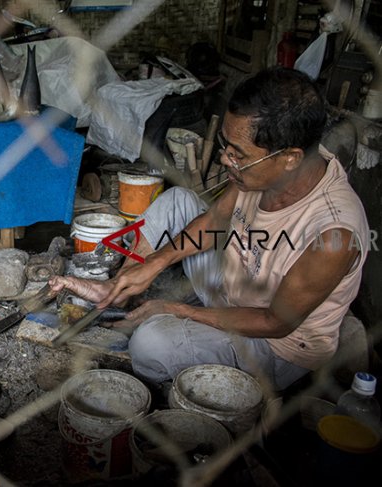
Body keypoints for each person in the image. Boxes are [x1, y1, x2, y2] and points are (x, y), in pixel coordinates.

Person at [50, 67, 369, 391]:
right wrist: (151, 265)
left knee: (149, 343)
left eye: (238, 154)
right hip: (237, 283)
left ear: (289, 158)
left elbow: (274, 322)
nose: (225, 159)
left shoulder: (332, 234)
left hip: (275, 342)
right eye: (226, 146)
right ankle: (118, 289)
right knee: (177, 200)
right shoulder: (268, 168)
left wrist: (175, 309)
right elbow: (215, 220)